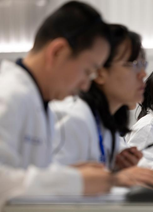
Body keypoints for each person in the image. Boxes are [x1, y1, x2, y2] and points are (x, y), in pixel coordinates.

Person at [0, 1, 112, 205]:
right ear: (57, 52)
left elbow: (23, 173)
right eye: (87, 71)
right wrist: (73, 181)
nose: (86, 86)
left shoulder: (40, 102)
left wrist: (65, 174)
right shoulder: (8, 94)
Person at [51, 26, 153, 189]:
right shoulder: (73, 118)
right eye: (133, 64)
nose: (143, 74)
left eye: (143, 64)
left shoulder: (106, 122)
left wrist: (115, 168)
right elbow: (52, 190)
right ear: (100, 72)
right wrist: (113, 178)